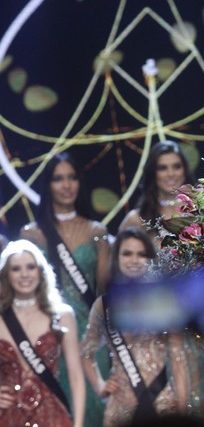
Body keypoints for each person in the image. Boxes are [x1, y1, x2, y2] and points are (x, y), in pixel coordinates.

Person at [19, 151, 108, 427]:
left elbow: (105, 293)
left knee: (95, 410)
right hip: (48, 333)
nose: (66, 185)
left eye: (72, 177)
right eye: (58, 179)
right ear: (48, 185)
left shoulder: (97, 232)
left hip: (91, 337)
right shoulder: (31, 235)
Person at [80, 227, 188, 427]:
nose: (134, 260)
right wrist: (100, 385)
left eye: (141, 254)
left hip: (162, 405)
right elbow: (86, 351)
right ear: (116, 257)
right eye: (127, 253)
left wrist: (182, 411)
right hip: (120, 409)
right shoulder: (104, 305)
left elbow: (178, 359)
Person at [0, 239, 85, 427]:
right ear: (6, 275)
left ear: (40, 271)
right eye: (16, 269)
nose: (24, 275)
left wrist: (78, 424)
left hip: (52, 416)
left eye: (30, 267)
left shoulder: (62, 315)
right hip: (8, 416)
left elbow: (76, 377)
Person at [118, 140, 194, 249]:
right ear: (153, 172)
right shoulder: (137, 218)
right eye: (162, 168)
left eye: (176, 166)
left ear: (185, 170)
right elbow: (119, 257)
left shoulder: (202, 209)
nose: (171, 174)